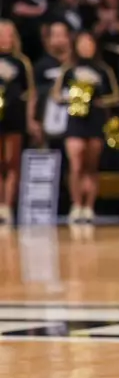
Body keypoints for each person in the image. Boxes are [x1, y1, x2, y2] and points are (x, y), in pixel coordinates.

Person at [52, 31, 119, 224]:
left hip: (95, 120)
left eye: (89, 43)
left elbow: (116, 95)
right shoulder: (69, 68)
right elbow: (56, 94)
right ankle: (76, 205)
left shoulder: (103, 69)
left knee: (91, 165)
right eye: (82, 43)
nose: (86, 47)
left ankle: (89, 207)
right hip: (75, 120)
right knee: (76, 164)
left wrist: (99, 100)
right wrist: (70, 98)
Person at [0, 20, 37, 225]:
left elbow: (30, 93)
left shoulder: (21, 62)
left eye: (8, 34)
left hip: (14, 116)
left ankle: (7, 207)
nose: (5, 38)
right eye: (1, 34)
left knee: (12, 162)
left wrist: (30, 119)